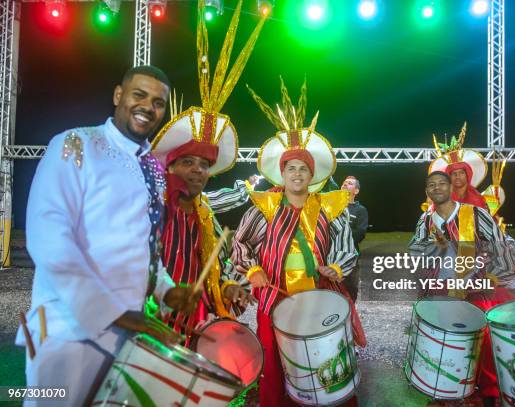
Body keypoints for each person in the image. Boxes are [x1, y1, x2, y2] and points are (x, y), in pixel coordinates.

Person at [16, 65, 201, 406]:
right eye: (139, 95)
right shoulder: (76, 144)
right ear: (119, 95)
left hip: (127, 332)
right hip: (67, 331)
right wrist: (112, 312)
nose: (148, 106)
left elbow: (147, 247)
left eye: (158, 102)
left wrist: (168, 291)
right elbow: (48, 239)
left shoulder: (154, 169)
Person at [232, 78, 361, 406]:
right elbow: (241, 244)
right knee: (274, 363)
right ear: (283, 172)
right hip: (274, 295)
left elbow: (346, 247)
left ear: (311, 174)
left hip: (319, 294)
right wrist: (253, 270)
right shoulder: (265, 207)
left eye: (304, 168)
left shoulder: (330, 207)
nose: (297, 174)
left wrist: (335, 268)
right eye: (291, 168)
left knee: (322, 363)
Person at [149, 0, 263, 345]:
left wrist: (229, 287)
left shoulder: (205, 214)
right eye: (189, 162)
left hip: (194, 323)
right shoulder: (150, 206)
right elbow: (130, 265)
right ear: (170, 165)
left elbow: (221, 263)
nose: (198, 171)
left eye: (204, 165)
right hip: (149, 323)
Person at [408, 171, 515, 406]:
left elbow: (500, 248)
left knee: (481, 346)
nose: (436, 188)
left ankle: (487, 395)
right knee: (446, 348)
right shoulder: (426, 221)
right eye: (431, 185)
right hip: (440, 292)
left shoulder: (475, 214)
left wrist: (495, 276)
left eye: (441, 183)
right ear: (427, 192)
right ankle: (448, 393)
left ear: (450, 188)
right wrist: (432, 248)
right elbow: (414, 253)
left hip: (474, 291)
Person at [430, 122, 488, 210]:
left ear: (467, 175)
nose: (457, 176)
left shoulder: (478, 199)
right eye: (454, 173)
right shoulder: (441, 199)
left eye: (461, 173)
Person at [341, 175, 368, 301]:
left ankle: (351, 315)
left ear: (356, 191)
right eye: (344, 183)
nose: (345, 184)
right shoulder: (331, 207)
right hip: (330, 256)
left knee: (351, 287)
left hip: (351, 255)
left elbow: (360, 233)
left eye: (350, 183)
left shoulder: (360, 210)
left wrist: (341, 235)